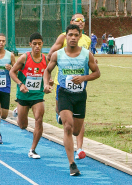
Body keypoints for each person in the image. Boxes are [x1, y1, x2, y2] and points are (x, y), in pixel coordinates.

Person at [44, 24, 100, 176]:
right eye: (70, 35)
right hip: (64, 94)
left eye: (76, 35)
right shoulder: (58, 54)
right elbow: (47, 70)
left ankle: (63, 118)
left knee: (76, 130)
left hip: (80, 95)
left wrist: (84, 77)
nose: (73, 38)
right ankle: (72, 164)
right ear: (66, 37)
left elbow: (97, 73)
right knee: (68, 128)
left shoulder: (86, 55)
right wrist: (46, 83)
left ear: (80, 36)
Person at [46, 13, 91, 160]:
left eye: (82, 20)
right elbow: (51, 54)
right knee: (65, 120)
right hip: (62, 83)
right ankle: (74, 156)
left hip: (79, 85)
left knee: (77, 124)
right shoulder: (62, 37)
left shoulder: (87, 40)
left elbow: (91, 62)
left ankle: (80, 148)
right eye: (77, 20)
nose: (80, 22)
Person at [10, 32, 47, 159]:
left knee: (39, 119)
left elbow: (47, 75)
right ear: (30, 44)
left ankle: (33, 149)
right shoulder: (24, 58)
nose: (37, 46)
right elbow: (12, 72)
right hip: (23, 95)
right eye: (35, 44)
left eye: (39, 44)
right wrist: (20, 84)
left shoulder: (45, 59)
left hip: (37, 95)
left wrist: (48, 83)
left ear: (42, 44)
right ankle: (17, 110)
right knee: (22, 125)